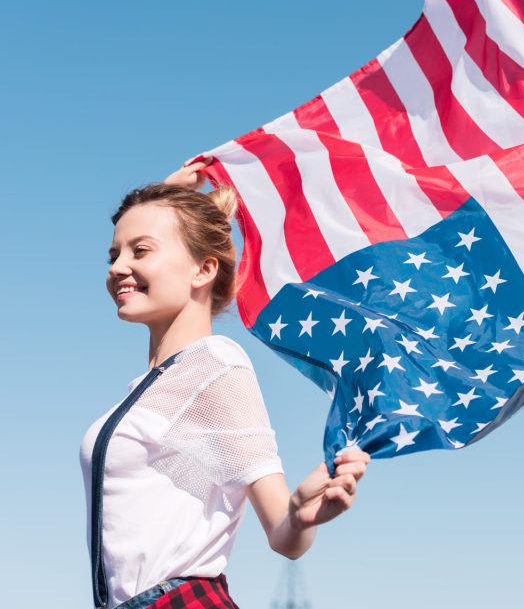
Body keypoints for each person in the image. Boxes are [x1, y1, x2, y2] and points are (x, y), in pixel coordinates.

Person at [79, 156, 371, 609]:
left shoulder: (214, 365)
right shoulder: (155, 384)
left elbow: (282, 533)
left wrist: (298, 515)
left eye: (140, 251)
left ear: (203, 270)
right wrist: (164, 193)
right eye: (113, 254)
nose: (118, 267)